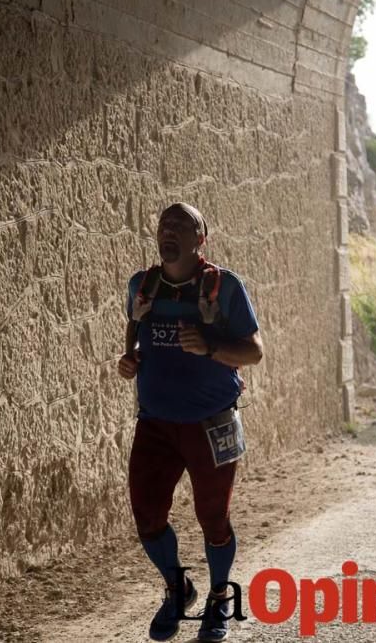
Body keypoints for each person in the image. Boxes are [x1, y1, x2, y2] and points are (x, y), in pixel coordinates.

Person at [117, 202, 263, 642]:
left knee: (213, 518)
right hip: (156, 422)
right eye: (165, 224)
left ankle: (219, 599)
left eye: (183, 225)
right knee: (147, 516)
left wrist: (210, 348)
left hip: (211, 421)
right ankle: (177, 589)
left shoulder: (223, 286)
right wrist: (129, 358)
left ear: (202, 238)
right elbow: (134, 324)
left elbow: (254, 351)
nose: (171, 230)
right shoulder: (142, 284)